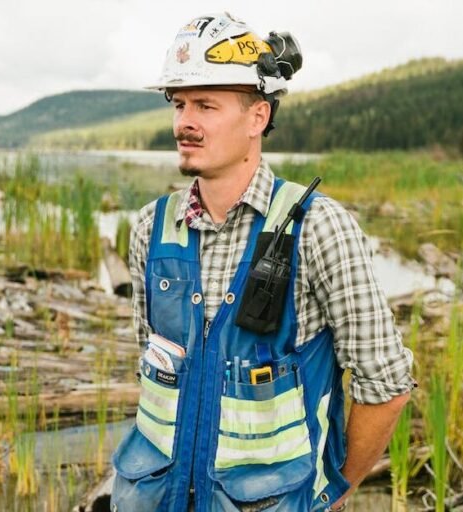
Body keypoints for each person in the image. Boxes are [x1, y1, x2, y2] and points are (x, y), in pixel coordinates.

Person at [111, 12, 415, 512]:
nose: (185, 122)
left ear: (258, 117)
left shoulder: (318, 228)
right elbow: (151, 369)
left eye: (206, 105)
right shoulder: (151, 226)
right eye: (180, 103)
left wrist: (334, 492)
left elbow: (386, 384)